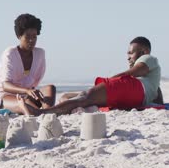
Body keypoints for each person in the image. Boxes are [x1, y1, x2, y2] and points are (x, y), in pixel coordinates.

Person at [18, 36, 161, 116]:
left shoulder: (149, 58)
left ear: (144, 52)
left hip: (134, 90)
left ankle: (42, 113)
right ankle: (51, 109)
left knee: (86, 97)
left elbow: (132, 73)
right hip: (136, 96)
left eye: (131, 53)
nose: (128, 57)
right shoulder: (151, 80)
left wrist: (109, 80)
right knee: (73, 97)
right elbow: (157, 94)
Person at [0, 13, 55, 114]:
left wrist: (29, 93)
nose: (31, 40)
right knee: (25, 105)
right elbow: (5, 85)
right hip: (5, 95)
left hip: (26, 95)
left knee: (50, 88)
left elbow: (34, 83)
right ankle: (42, 112)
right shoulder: (10, 53)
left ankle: (45, 112)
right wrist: (26, 90)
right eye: (28, 37)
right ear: (19, 36)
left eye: (34, 37)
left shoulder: (40, 53)